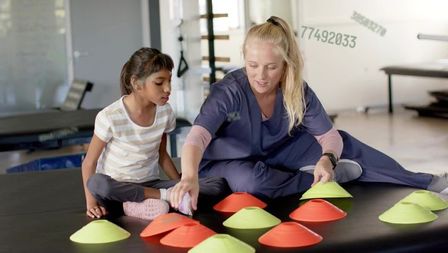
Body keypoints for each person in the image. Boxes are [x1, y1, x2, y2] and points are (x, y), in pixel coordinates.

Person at [169, 16, 448, 210]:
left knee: (344, 142)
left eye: (271, 67)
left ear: (286, 63)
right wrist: (189, 177)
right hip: (229, 162)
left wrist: (327, 158)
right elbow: (197, 137)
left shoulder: (297, 89)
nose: (261, 76)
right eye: (253, 65)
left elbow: (328, 135)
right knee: (252, 181)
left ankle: (426, 181)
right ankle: (319, 179)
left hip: (280, 151)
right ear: (244, 57)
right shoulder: (229, 90)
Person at [81, 48, 226, 220]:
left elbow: (162, 155)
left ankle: (143, 203)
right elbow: (89, 163)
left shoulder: (165, 112)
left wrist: (182, 185)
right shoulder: (110, 116)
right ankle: (162, 199)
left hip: (151, 184)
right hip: (118, 187)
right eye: (159, 83)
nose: (168, 88)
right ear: (136, 84)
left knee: (217, 184)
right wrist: (91, 203)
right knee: (97, 183)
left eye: (170, 81)